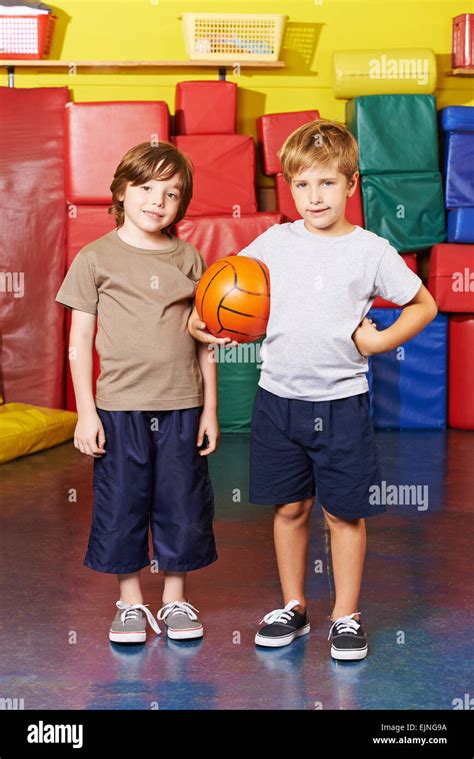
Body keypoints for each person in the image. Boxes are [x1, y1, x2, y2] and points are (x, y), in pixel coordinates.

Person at [187, 119, 438, 660]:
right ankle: (294, 607)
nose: (313, 195)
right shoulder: (274, 242)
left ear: (351, 184)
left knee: (344, 513)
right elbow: (226, 289)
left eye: (326, 183)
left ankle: (345, 615)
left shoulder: (370, 250)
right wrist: (202, 321)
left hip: (342, 403)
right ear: (289, 187)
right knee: (289, 509)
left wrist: (378, 342)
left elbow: (424, 304)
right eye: (301, 184)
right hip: (277, 400)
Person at [56, 140, 224, 644]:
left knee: (183, 503)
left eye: (172, 193)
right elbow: (79, 343)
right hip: (118, 409)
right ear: (121, 192)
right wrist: (86, 413)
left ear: (182, 204)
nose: (158, 200)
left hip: (181, 406)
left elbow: (204, 343)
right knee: (122, 503)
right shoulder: (94, 258)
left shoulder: (190, 258)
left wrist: (210, 408)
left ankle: (175, 599)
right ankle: (129, 602)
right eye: (147, 188)